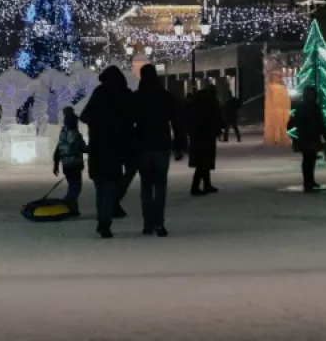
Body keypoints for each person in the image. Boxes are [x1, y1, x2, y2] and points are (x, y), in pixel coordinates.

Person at [79, 65, 136, 239]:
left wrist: (97, 124)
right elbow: (132, 118)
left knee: (100, 187)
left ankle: (103, 221)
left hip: (98, 146)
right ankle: (107, 217)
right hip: (117, 147)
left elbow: (84, 116)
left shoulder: (99, 93)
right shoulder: (125, 94)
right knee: (111, 184)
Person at [133, 64, 185, 237]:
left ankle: (148, 223)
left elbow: (129, 122)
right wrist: (179, 143)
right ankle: (159, 223)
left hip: (143, 145)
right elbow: (177, 121)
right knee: (160, 186)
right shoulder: (165, 96)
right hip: (162, 145)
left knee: (146, 186)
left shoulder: (137, 97)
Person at [287, 86, 326, 191]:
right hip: (306, 136)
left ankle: (310, 180)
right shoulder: (303, 107)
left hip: (312, 136)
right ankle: (307, 181)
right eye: (309, 94)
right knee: (307, 159)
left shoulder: (314, 107)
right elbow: (297, 121)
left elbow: (319, 122)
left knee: (311, 158)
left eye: (312, 94)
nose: (311, 96)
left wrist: (324, 133)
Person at [189, 85, 224, 196]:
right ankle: (196, 187)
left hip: (197, 135)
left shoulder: (196, 101)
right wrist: (220, 127)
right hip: (207, 135)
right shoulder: (212, 102)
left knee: (203, 161)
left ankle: (206, 185)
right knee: (204, 162)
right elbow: (215, 117)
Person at [53, 107, 87, 215]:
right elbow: (83, 148)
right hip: (75, 164)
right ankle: (67, 204)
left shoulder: (62, 133)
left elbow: (58, 150)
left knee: (72, 185)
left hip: (66, 165)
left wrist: (56, 165)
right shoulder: (75, 135)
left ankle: (73, 209)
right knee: (76, 187)